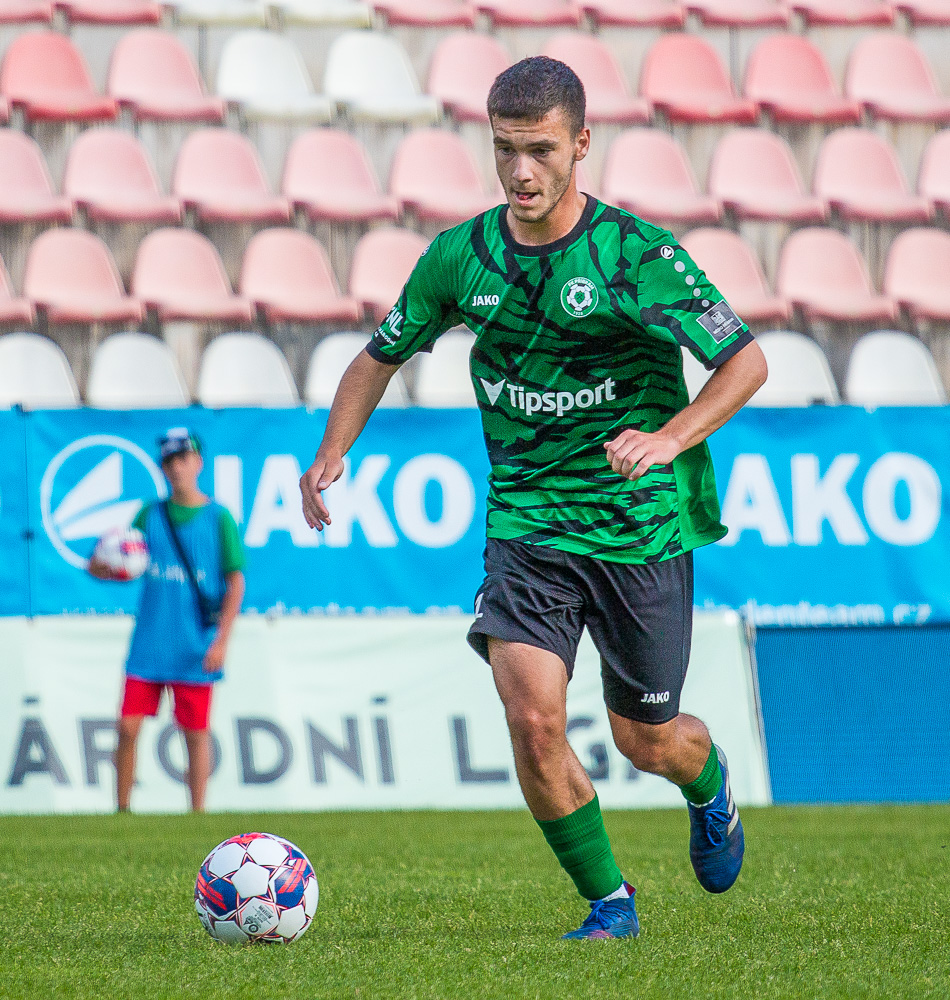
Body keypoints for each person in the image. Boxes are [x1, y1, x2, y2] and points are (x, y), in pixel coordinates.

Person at [300, 57, 768, 940]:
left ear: (581, 144)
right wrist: (333, 450)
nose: (521, 171)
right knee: (532, 720)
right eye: (505, 149)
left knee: (646, 740)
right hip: (527, 519)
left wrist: (670, 438)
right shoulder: (461, 256)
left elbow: (745, 362)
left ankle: (708, 785)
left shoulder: (637, 256)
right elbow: (377, 356)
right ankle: (610, 904)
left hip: (637, 528)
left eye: (541, 150)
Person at [89, 427, 245, 813]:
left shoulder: (218, 517)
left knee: (195, 733)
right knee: (127, 727)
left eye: (182, 459)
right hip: (150, 642)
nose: (176, 467)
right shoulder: (150, 514)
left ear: (198, 462)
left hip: (195, 643)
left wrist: (222, 640)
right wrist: (103, 566)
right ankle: (122, 810)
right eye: (169, 461)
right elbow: (123, 560)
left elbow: (235, 581)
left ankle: (197, 812)